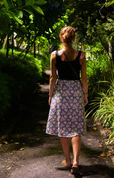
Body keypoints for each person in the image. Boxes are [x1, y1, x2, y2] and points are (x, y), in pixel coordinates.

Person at [46, 26, 88, 175]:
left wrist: (51, 95)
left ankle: (68, 160)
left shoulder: (54, 55)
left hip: (61, 93)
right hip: (76, 92)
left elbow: (53, 78)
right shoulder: (81, 56)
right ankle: (76, 162)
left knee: (62, 128)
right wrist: (85, 94)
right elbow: (84, 77)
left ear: (61, 38)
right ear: (74, 38)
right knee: (76, 128)